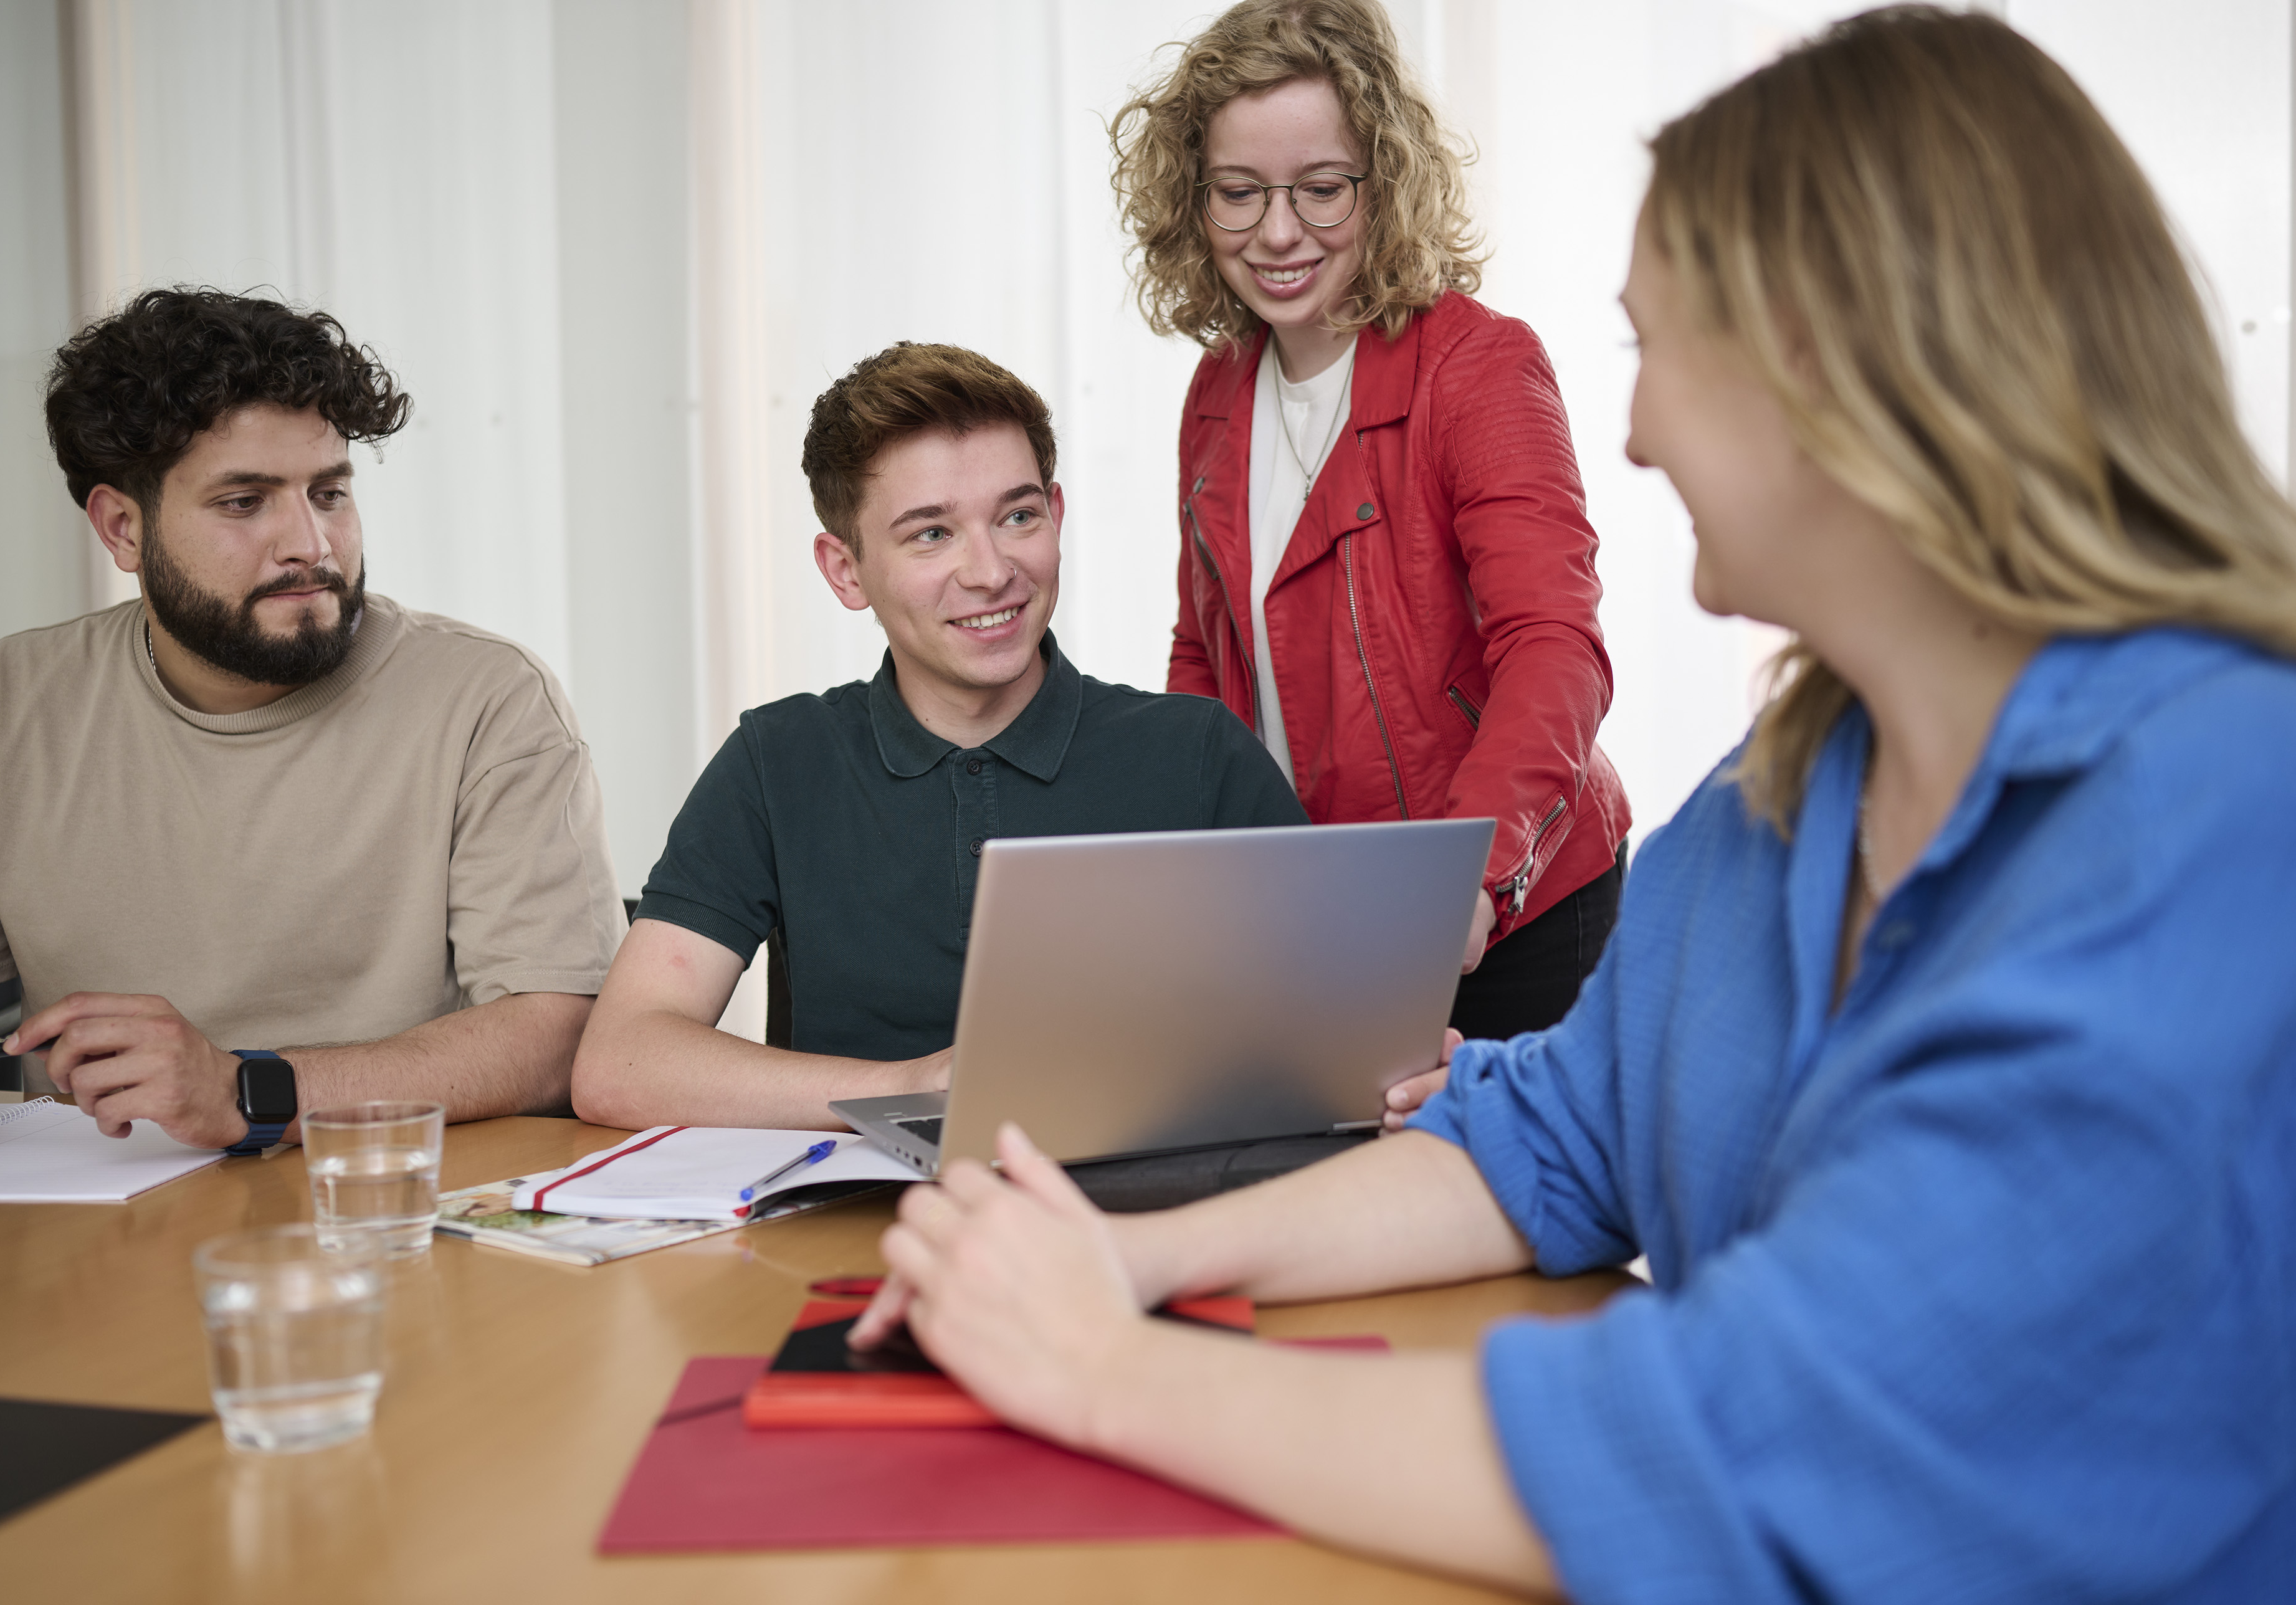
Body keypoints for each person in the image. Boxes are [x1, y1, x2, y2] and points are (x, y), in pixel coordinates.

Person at [849, 8, 2296, 1597]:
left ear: (1849, 378)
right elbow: (1541, 1135)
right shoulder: (1770, 805)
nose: (1637, 427)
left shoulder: (2222, 821)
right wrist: (1120, 1257)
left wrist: (1100, 1365)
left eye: (1658, 348)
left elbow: (1732, 1449)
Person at [0, 288, 625, 1153]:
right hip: (86, 1225)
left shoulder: (487, 699)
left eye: (329, 493)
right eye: (245, 502)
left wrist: (248, 1089)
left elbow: (556, 1036)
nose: (308, 543)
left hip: (392, 1205)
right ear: (123, 528)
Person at [572, 343, 1314, 1138]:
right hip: (847, 1236)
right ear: (846, 570)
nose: (990, 571)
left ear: (1056, 516)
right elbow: (620, 1062)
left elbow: (1336, 1027)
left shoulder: (1197, 752)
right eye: (932, 534)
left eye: (1018, 516)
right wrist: (914, 1087)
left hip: (1149, 1222)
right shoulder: (776, 760)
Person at [1110, 0, 1632, 1074]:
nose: (1277, 231)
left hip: (1509, 918)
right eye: (1238, 193)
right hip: (1318, 925)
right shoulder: (1215, 391)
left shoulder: (1477, 366)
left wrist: (1467, 878)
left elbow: (1552, 648)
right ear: (1191, 200)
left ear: (1381, 183)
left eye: (1319, 188)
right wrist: (1179, 879)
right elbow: (1205, 662)